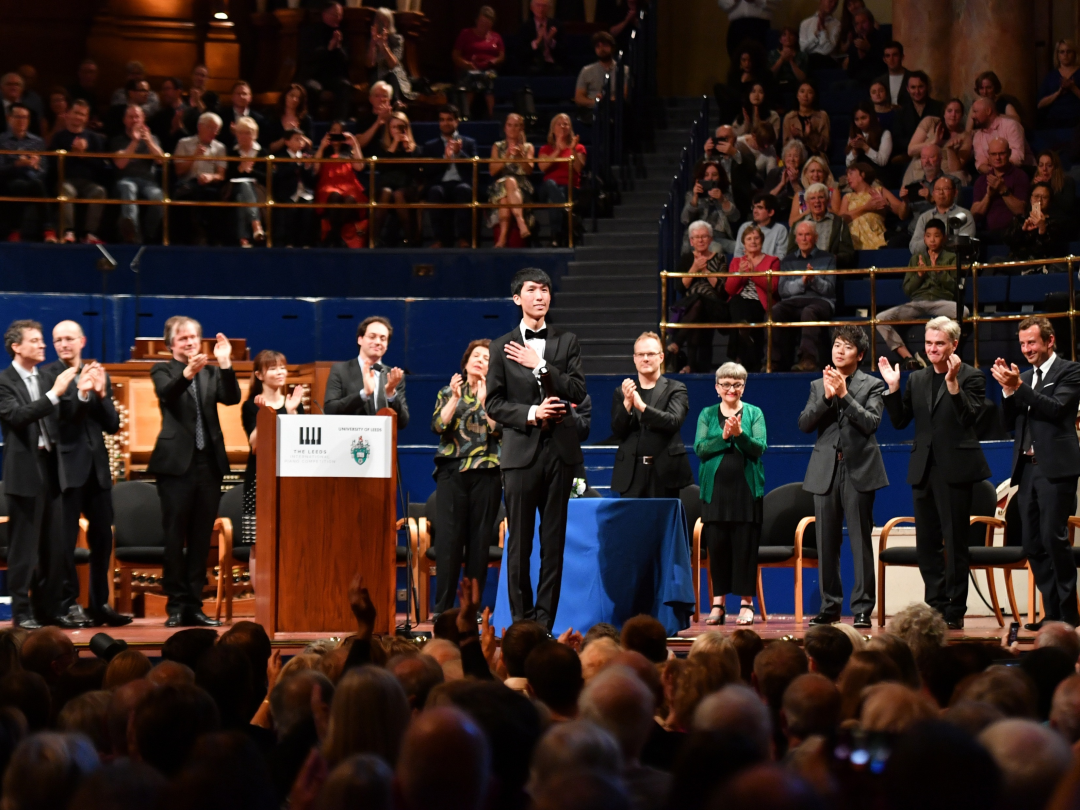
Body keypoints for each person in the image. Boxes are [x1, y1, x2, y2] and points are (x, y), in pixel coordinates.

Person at [485, 268, 587, 631]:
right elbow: (494, 404)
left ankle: (544, 623)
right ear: (518, 298)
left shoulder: (567, 341)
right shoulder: (499, 346)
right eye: (532, 290)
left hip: (559, 453)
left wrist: (540, 365)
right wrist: (532, 413)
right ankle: (521, 624)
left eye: (545, 290)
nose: (541, 296)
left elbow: (576, 390)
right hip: (519, 454)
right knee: (519, 543)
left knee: (553, 544)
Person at [879, 316, 991, 630]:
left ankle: (955, 609)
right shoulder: (917, 379)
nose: (932, 349)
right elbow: (901, 421)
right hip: (923, 468)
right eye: (928, 343)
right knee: (927, 543)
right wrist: (892, 389)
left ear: (954, 345)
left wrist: (953, 385)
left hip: (956, 469)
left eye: (939, 343)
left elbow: (968, 418)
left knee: (954, 541)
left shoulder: (972, 376)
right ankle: (936, 605)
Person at [148, 316, 240, 628]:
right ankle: (175, 605)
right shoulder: (163, 369)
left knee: (202, 538)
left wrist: (226, 364)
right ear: (171, 344)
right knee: (175, 536)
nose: (190, 342)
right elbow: (168, 395)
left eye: (194, 338)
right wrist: (188, 372)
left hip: (209, 463)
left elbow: (232, 398)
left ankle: (194, 604)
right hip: (175, 465)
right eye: (183, 338)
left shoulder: (212, 372)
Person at [992, 317, 1080, 629]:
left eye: (1032, 342)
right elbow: (1010, 423)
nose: (1027, 349)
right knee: (1031, 543)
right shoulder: (1024, 377)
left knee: (1053, 538)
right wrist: (1007, 391)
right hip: (1027, 470)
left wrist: (1019, 388)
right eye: (1023, 344)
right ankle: (1052, 612)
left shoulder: (1070, 370)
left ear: (1049, 341)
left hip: (1056, 469)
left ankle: (1068, 613)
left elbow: (1056, 408)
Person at [798, 326, 887, 627]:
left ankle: (862, 608)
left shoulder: (872, 386)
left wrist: (845, 396)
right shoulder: (815, 385)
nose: (839, 351)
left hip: (858, 469)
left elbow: (871, 422)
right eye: (837, 345)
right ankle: (829, 606)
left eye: (847, 347)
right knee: (826, 542)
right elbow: (804, 424)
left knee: (860, 541)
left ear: (859, 354)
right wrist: (826, 396)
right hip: (826, 470)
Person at [47, 320, 128, 628]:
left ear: (82, 341)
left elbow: (111, 424)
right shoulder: (48, 374)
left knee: (102, 541)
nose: (63, 344)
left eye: (69, 338)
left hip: (98, 470)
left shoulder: (95, 372)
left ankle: (99, 604)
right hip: (66, 469)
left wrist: (102, 393)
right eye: (58, 340)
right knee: (66, 541)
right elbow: (63, 418)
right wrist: (82, 394)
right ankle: (69, 604)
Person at [0, 320, 78, 629]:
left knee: (53, 545)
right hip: (25, 471)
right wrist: (55, 394)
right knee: (25, 548)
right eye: (35, 340)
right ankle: (23, 612)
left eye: (42, 340)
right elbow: (17, 417)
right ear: (16, 346)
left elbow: (64, 415)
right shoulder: (4, 381)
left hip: (52, 468)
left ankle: (48, 609)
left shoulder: (46, 376)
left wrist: (81, 393)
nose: (43, 345)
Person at [431, 340, 502, 617]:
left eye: (486, 357)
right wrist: (454, 399)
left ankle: (470, 610)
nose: (480, 360)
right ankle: (443, 611)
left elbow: (499, 431)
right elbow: (438, 425)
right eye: (476, 355)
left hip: (487, 473)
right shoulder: (448, 391)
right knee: (449, 543)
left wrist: (485, 402)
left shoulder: (498, 394)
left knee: (479, 543)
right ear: (466, 361)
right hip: (452, 473)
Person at [694, 362, 767, 626]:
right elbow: (700, 449)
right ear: (717, 387)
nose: (731, 389)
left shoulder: (754, 413)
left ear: (743, 387)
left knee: (745, 550)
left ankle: (746, 604)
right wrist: (724, 436)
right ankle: (718, 604)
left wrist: (740, 434)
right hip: (716, 495)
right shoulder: (707, 414)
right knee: (719, 549)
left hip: (746, 494)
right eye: (725, 384)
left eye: (736, 384)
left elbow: (759, 448)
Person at [610, 332, 692, 499]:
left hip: (664, 473)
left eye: (650, 354)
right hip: (631, 474)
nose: (645, 358)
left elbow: (673, 421)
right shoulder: (622, 392)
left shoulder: (676, 388)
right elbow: (618, 431)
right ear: (634, 358)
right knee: (632, 523)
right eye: (640, 354)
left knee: (662, 523)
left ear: (661, 357)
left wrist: (641, 406)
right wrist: (627, 402)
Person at [240, 351, 304, 546]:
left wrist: (292, 412)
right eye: (273, 368)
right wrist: (264, 416)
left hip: (288, 476)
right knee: (256, 543)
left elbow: (298, 443)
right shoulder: (251, 406)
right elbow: (255, 445)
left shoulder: (293, 404)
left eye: (282, 368)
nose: (280, 372)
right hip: (259, 478)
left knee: (289, 539)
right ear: (259, 375)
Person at [879, 219, 963, 369]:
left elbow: (955, 288)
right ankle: (909, 358)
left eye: (936, 236)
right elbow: (907, 289)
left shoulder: (951, 257)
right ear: (924, 238)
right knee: (880, 319)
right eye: (928, 236)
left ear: (943, 238)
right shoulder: (916, 258)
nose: (932, 239)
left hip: (941, 301)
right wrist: (919, 275)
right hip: (917, 302)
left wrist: (939, 272)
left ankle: (929, 353)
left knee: (964, 312)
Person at [324, 316, 409, 428]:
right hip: (349, 440)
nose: (378, 342)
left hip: (381, 443)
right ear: (360, 339)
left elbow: (402, 423)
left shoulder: (393, 376)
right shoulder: (340, 370)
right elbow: (330, 410)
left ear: (387, 345)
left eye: (383, 339)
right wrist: (363, 394)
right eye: (372, 337)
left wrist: (390, 394)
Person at [774, 220, 836, 372]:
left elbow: (829, 289)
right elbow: (783, 290)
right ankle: (773, 361)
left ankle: (808, 360)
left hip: (820, 301)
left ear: (815, 238)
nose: (803, 238)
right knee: (775, 311)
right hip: (793, 301)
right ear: (795, 238)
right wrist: (802, 281)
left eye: (807, 235)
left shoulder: (828, 258)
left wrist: (814, 279)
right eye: (800, 235)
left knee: (809, 312)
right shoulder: (788, 260)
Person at [671, 221, 729, 373]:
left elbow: (722, 289)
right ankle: (691, 365)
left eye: (704, 236)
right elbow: (680, 287)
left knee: (700, 300)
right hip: (692, 305)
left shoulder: (720, 258)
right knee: (697, 305)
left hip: (714, 305)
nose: (701, 240)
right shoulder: (686, 259)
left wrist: (706, 272)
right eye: (696, 237)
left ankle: (676, 343)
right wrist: (694, 268)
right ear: (691, 241)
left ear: (710, 239)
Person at [47, 99, 106, 244]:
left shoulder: (94, 138)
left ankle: (90, 234)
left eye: (82, 114)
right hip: (66, 180)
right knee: (66, 191)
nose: (79, 117)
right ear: (68, 114)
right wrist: (71, 153)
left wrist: (84, 156)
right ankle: (68, 231)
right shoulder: (59, 137)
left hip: (88, 182)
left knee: (99, 192)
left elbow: (101, 165)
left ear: (86, 118)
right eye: (76, 113)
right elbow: (52, 164)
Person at [725, 225, 779, 373]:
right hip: (739, 302)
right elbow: (729, 289)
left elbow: (772, 287)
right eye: (749, 239)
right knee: (736, 301)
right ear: (744, 243)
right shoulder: (736, 261)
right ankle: (744, 331)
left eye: (756, 238)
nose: (753, 241)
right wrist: (740, 273)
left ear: (762, 241)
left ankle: (737, 357)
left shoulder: (772, 261)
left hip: (759, 302)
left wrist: (753, 272)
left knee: (741, 315)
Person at [422, 105, 477, 249]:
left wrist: (459, 154)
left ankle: (464, 239)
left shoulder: (468, 143)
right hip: (440, 183)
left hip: (460, 182)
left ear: (456, 121)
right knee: (434, 192)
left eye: (449, 119)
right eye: (442, 120)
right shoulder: (430, 146)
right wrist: (444, 160)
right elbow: (427, 171)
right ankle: (439, 239)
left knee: (463, 190)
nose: (445, 123)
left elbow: (474, 167)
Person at [111, 104, 165, 244]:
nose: (134, 120)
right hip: (124, 179)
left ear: (143, 119)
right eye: (131, 117)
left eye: (137, 117)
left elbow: (161, 161)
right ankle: (133, 236)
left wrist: (148, 141)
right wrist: (135, 141)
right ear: (124, 120)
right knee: (129, 188)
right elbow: (120, 164)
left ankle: (148, 236)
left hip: (148, 181)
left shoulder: (152, 139)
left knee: (159, 197)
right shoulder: (118, 140)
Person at [0, 102, 54, 242]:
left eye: (25, 117)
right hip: (8, 180)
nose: (22, 121)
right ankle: (15, 231)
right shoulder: (2, 140)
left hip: (32, 179)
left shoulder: (37, 142)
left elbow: (44, 170)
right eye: (18, 117)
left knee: (36, 183)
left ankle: (48, 231)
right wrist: (17, 164)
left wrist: (36, 166)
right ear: (9, 118)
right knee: (20, 185)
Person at [172, 112, 227, 245]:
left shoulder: (220, 148)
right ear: (200, 126)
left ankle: (207, 237)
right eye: (211, 128)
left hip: (209, 185)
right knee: (190, 193)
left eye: (217, 130)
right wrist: (194, 157)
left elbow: (221, 175)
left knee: (209, 195)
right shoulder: (184, 143)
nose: (214, 133)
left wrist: (211, 177)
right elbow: (179, 171)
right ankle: (194, 235)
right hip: (187, 183)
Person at [314, 121, 368, 249]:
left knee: (349, 199)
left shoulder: (349, 152)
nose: (336, 134)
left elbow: (360, 166)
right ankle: (336, 237)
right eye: (333, 130)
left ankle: (333, 236)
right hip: (329, 185)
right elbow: (315, 169)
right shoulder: (324, 152)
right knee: (334, 196)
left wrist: (354, 143)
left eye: (340, 132)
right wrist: (321, 147)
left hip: (348, 185)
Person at [371, 112, 420, 246]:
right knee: (386, 192)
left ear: (406, 128)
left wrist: (407, 149)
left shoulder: (414, 149)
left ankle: (409, 239)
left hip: (407, 186)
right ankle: (374, 238)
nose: (397, 130)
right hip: (387, 185)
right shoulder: (382, 147)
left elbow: (416, 173)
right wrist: (394, 144)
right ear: (388, 129)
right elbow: (382, 168)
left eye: (400, 127)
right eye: (393, 127)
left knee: (398, 194)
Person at [538, 113, 586, 248]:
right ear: (553, 129)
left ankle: (555, 237)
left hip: (570, 189)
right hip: (547, 189)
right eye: (559, 124)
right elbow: (542, 167)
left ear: (570, 128)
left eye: (566, 124)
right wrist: (557, 151)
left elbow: (578, 168)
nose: (563, 126)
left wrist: (572, 150)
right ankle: (567, 211)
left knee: (554, 201)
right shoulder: (546, 149)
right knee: (550, 184)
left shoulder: (578, 148)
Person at [298, 1, 352, 120]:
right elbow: (307, 57)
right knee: (312, 88)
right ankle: (312, 123)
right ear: (324, 14)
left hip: (333, 76)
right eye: (335, 15)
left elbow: (346, 60)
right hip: (314, 75)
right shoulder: (311, 31)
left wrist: (338, 48)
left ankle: (338, 124)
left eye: (340, 15)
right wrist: (328, 48)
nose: (338, 18)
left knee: (344, 85)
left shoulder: (342, 32)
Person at [488, 113, 535, 248]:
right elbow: (492, 171)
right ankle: (521, 222)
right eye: (510, 125)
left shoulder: (528, 147)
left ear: (521, 128)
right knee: (507, 185)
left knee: (505, 194)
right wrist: (506, 158)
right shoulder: (497, 146)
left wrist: (521, 158)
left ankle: (502, 239)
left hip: (521, 186)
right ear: (505, 128)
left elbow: (529, 170)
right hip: (500, 184)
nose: (513, 129)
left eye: (516, 126)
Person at [903, 99, 971, 186]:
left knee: (959, 177)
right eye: (949, 111)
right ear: (944, 113)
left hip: (946, 174)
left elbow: (956, 169)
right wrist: (934, 142)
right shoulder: (930, 122)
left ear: (961, 115)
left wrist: (951, 150)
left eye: (957, 112)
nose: (953, 115)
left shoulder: (965, 136)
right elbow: (911, 150)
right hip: (922, 168)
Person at [971, 139, 1030, 240]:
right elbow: (973, 216)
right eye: (993, 154)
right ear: (988, 156)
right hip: (988, 235)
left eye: (1001, 153)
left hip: (1014, 234)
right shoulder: (981, 180)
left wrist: (1003, 190)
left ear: (1009, 153)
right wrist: (988, 196)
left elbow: (1021, 211)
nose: (997, 158)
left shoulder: (1020, 176)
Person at [839, 162, 906, 250]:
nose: (848, 178)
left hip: (877, 239)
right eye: (847, 175)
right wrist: (866, 208)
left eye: (851, 174)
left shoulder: (880, 191)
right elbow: (840, 220)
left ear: (862, 174)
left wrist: (888, 205)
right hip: (853, 242)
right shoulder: (847, 197)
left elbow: (902, 213)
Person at [453, 7, 504, 121]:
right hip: (469, 68)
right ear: (477, 21)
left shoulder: (496, 37)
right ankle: (465, 115)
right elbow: (456, 55)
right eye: (482, 21)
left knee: (489, 78)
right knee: (472, 77)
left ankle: (493, 117)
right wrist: (466, 64)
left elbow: (501, 56)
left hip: (488, 69)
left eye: (488, 22)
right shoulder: (466, 33)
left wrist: (494, 61)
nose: (485, 25)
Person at [788, 182, 855, 268]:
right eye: (812, 198)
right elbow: (790, 253)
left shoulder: (839, 222)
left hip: (830, 270)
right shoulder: (798, 224)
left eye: (821, 197)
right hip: (803, 270)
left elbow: (848, 254)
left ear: (828, 201)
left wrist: (832, 258)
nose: (817, 201)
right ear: (807, 203)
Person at [225, 116, 267, 248]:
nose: (243, 136)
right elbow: (227, 176)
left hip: (258, 189)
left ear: (254, 135)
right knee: (242, 187)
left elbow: (268, 177)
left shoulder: (262, 152)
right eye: (240, 133)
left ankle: (243, 239)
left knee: (242, 197)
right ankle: (256, 225)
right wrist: (239, 168)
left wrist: (250, 171)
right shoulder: (232, 152)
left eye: (247, 133)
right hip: (233, 188)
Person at [681, 161, 739, 257]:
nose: (710, 178)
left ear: (719, 177)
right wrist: (695, 198)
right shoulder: (691, 195)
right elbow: (685, 219)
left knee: (740, 247)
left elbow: (735, 217)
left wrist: (722, 200)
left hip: (720, 236)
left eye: (714, 175)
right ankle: (714, 272)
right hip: (700, 238)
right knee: (716, 248)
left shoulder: (725, 195)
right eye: (706, 175)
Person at [272, 128, 318, 248]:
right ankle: (289, 243)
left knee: (308, 210)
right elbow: (280, 176)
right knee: (290, 210)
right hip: (287, 193)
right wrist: (297, 164)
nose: (300, 142)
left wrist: (307, 168)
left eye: (301, 139)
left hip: (304, 192)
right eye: (297, 139)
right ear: (287, 142)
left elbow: (311, 181)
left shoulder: (306, 156)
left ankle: (305, 243)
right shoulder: (281, 157)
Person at [908, 175, 975, 255]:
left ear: (955, 193)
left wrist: (940, 241)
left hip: (954, 263)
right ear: (933, 193)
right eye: (938, 189)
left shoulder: (964, 215)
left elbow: (966, 245)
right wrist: (930, 241)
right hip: (929, 263)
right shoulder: (925, 217)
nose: (941, 192)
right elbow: (913, 247)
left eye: (946, 189)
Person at [892, 72, 945, 167]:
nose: (917, 91)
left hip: (934, 156)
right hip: (908, 158)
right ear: (908, 89)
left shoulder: (940, 108)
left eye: (921, 87)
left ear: (927, 87)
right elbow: (898, 139)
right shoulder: (901, 112)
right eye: (913, 87)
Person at [971, 98, 1033, 175]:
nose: (972, 116)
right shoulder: (978, 136)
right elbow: (980, 164)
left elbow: (1017, 158)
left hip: (1022, 171)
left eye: (975, 112)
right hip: (992, 174)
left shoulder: (1011, 125)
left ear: (988, 111)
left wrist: (997, 169)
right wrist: (995, 172)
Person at [703, 125, 755, 214]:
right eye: (720, 138)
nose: (724, 141)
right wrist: (707, 155)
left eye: (727, 138)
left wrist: (734, 153)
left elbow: (752, 171)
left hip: (740, 207)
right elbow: (698, 174)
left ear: (734, 139)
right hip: (716, 208)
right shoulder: (712, 158)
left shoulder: (744, 154)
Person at [367, 8, 415, 103]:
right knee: (375, 78)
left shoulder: (397, 39)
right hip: (377, 72)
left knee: (392, 76)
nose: (381, 24)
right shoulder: (371, 39)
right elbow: (369, 64)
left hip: (394, 72)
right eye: (379, 20)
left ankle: (397, 102)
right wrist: (373, 43)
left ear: (390, 22)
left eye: (384, 20)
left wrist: (383, 46)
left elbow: (393, 64)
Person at [574, 32, 629, 112]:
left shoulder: (624, 70)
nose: (601, 49)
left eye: (605, 45)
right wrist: (596, 102)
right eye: (598, 46)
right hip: (592, 111)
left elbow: (625, 94)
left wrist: (610, 101)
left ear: (612, 48)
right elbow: (578, 98)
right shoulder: (586, 70)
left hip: (616, 110)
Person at [781, 82, 830, 158]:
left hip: (816, 157)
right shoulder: (789, 118)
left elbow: (825, 146)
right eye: (802, 91)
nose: (805, 95)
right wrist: (797, 137)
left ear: (814, 96)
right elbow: (785, 147)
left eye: (810, 92)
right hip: (795, 158)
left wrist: (811, 134)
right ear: (797, 95)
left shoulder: (822, 116)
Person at [1038, 39, 1080, 127]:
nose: (1065, 55)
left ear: (1074, 53)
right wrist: (1058, 93)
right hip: (1055, 120)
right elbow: (1040, 104)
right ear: (1057, 55)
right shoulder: (1051, 76)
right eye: (1062, 52)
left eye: (1069, 51)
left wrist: (1073, 87)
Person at [516, 0, 564, 75]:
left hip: (551, 63)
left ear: (549, 8)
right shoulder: (525, 27)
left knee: (559, 71)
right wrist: (536, 42)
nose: (541, 9)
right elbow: (521, 53)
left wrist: (550, 41)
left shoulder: (557, 26)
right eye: (538, 5)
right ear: (532, 8)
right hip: (532, 63)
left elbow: (563, 52)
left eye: (544, 6)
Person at [733, 191, 786, 259]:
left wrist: (760, 264)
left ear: (771, 212)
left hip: (769, 268)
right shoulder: (745, 227)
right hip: (747, 267)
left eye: (760, 208)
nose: (755, 211)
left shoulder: (780, 229)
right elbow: (738, 253)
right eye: (754, 207)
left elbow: (781, 257)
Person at [263, 84, 312, 154]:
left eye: (298, 98)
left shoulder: (306, 119)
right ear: (285, 96)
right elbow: (270, 148)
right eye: (292, 96)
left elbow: (309, 145)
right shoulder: (273, 117)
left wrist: (297, 134)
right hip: (278, 159)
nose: (295, 100)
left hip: (299, 159)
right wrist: (287, 135)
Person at [767, 27, 808, 110]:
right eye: (784, 35)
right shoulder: (772, 54)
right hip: (777, 82)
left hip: (794, 83)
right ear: (780, 39)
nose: (788, 37)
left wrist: (791, 61)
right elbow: (769, 75)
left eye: (791, 35)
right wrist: (781, 59)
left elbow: (802, 78)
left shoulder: (802, 55)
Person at [766, 139, 807, 218]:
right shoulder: (774, 173)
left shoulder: (805, 174)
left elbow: (804, 206)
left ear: (801, 159)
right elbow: (766, 200)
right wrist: (781, 184)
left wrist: (794, 183)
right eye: (789, 155)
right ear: (784, 158)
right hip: (775, 215)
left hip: (798, 215)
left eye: (796, 156)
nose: (792, 159)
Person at [845, 102, 892, 169]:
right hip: (859, 175)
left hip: (878, 174)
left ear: (871, 117)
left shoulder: (885, 133)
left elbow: (882, 161)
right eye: (856, 119)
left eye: (863, 118)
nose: (860, 122)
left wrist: (865, 146)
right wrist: (855, 150)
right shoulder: (854, 135)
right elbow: (848, 165)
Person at [844, 8, 884, 84]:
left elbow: (884, 64)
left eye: (863, 22)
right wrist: (859, 57)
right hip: (858, 81)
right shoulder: (855, 42)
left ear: (871, 22)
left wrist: (869, 49)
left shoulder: (881, 37)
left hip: (877, 80)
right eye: (857, 24)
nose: (860, 27)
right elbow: (850, 72)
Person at [799, 0, 841, 70]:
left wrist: (823, 31)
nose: (833, 5)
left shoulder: (837, 24)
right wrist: (816, 36)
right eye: (830, 1)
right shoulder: (805, 23)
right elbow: (803, 49)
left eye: (836, 3)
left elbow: (828, 50)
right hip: (808, 62)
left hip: (827, 63)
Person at [876, 41, 912, 107]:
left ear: (902, 57)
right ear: (884, 59)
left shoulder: (912, 78)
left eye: (895, 55)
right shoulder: (879, 81)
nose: (891, 59)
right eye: (888, 56)